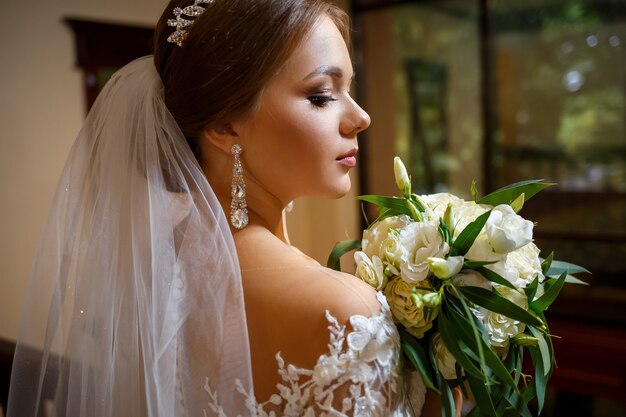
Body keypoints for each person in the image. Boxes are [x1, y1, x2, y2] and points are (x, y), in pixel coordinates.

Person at [7, 0, 462, 416]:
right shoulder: (344, 311)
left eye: (350, 89)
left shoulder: (156, 271)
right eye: (322, 94)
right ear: (224, 125)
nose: (360, 116)